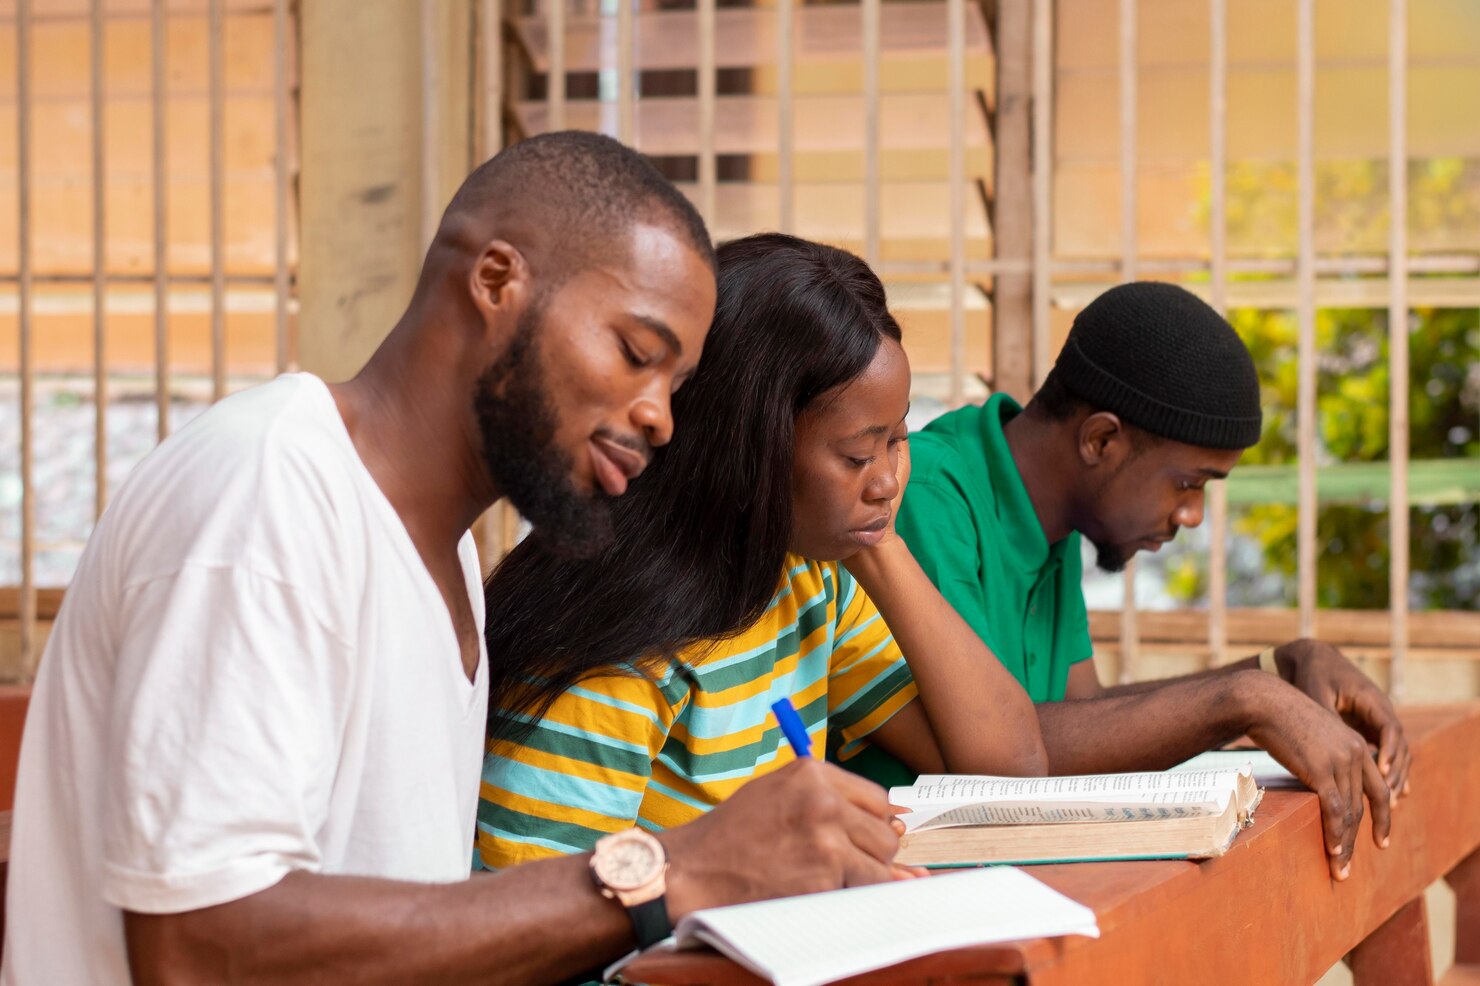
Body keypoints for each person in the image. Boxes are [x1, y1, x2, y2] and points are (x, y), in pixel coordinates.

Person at [2, 134, 913, 986]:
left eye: (676, 386)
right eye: (637, 353)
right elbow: (198, 945)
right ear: (495, 279)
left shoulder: (443, 570)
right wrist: (673, 868)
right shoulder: (270, 489)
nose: (659, 418)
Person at [476, 233, 1047, 872]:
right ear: (749, 451)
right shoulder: (616, 660)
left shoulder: (809, 581)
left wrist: (878, 543)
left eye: (898, 439)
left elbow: (1009, 769)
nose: (888, 480)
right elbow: (533, 916)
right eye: (858, 456)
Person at [868, 280, 1410, 883]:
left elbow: (1082, 716)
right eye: (1188, 483)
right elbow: (1002, 758)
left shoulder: (1053, 520)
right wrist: (1247, 701)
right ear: (1101, 439)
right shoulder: (928, 495)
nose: (1193, 516)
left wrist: (1276, 669)